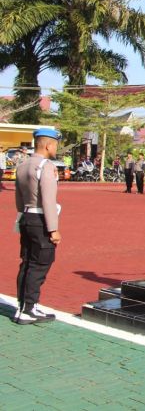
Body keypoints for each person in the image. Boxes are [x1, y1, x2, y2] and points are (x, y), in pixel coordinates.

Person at [14, 128, 63, 324]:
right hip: (41, 220)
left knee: (26, 263)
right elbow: (48, 200)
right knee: (40, 264)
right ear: (48, 145)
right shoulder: (46, 166)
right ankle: (29, 308)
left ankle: (22, 306)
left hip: (25, 216)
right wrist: (53, 229)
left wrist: (23, 215)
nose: (56, 148)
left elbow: (18, 198)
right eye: (55, 145)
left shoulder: (23, 165)